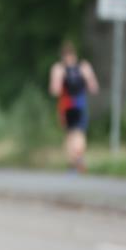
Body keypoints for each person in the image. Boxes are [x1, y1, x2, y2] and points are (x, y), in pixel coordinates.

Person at [49, 41, 99, 173]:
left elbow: (55, 90)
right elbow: (93, 87)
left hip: (65, 105)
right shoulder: (84, 67)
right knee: (80, 133)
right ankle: (79, 157)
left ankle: (72, 164)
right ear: (74, 55)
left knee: (69, 134)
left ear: (62, 56)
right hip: (80, 103)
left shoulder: (58, 68)